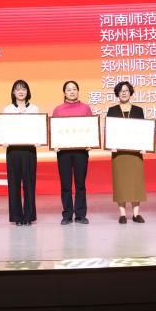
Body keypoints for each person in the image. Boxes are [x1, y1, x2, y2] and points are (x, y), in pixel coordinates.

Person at [52, 80, 94, 225]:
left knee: (80, 183)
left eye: (74, 89)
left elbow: (91, 129)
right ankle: (67, 215)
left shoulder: (85, 108)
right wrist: (54, 144)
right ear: (64, 92)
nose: (72, 91)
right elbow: (54, 130)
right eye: (69, 89)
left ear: (78, 91)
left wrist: (91, 142)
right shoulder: (58, 110)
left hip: (81, 151)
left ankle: (81, 215)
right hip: (63, 152)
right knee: (66, 185)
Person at [106, 81, 146, 224]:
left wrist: (144, 146)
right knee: (120, 182)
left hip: (135, 152)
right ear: (117, 93)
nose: (124, 93)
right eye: (121, 91)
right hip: (118, 152)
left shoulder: (138, 110)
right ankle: (122, 214)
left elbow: (143, 131)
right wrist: (110, 145)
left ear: (130, 93)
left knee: (136, 181)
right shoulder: (112, 110)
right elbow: (109, 130)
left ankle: (136, 214)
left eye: (126, 90)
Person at [2, 80, 40, 226]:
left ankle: (29, 216)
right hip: (13, 151)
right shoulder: (8, 109)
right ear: (13, 92)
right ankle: (17, 216)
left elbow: (38, 128)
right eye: (17, 89)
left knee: (29, 184)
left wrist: (39, 139)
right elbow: (4, 129)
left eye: (23, 89)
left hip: (29, 150)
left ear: (27, 91)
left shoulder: (35, 109)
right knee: (14, 184)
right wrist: (3, 140)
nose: (21, 91)